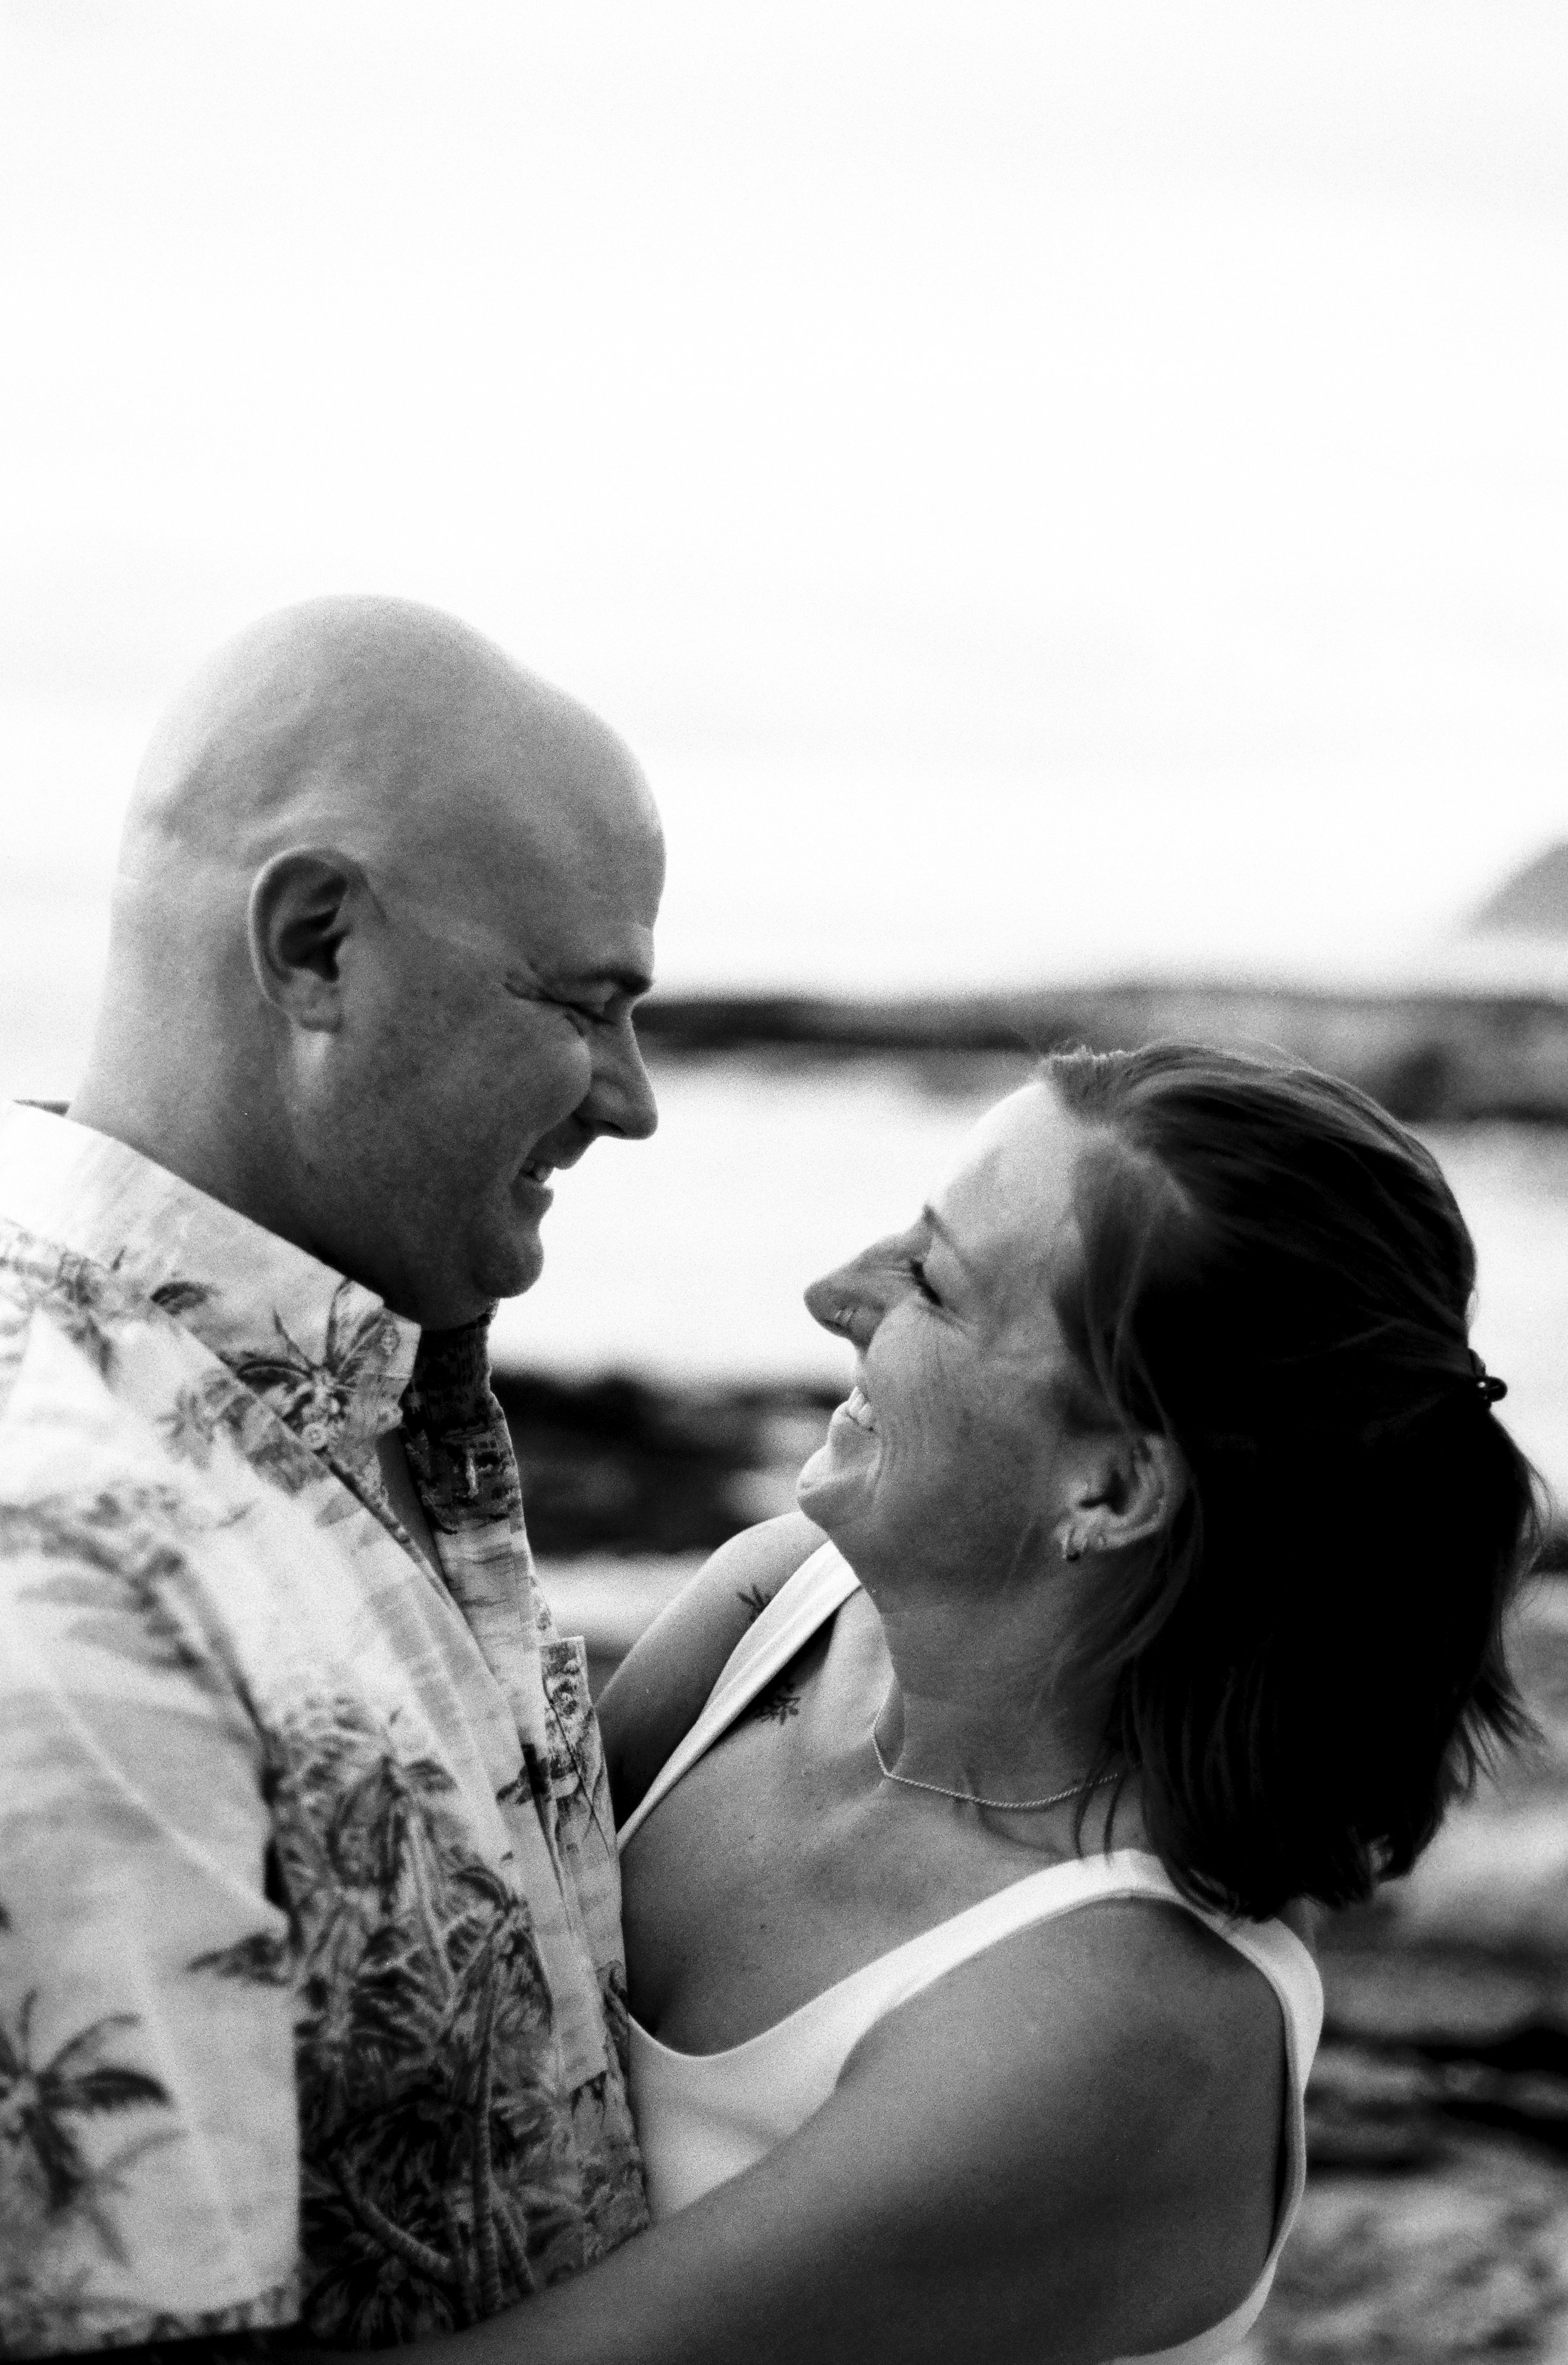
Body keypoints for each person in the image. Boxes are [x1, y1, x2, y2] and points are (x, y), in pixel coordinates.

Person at [425, 1043, 1535, 2365]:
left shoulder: (1114, 2017)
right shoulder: (775, 1610)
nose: (834, 1293)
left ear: (1111, 1490)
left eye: (933, 1283)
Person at [0, 597, 665, 2347]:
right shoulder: (81, 1579)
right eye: (587, 1006)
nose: (631, 1099)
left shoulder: (341, 1410)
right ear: (316, 949)